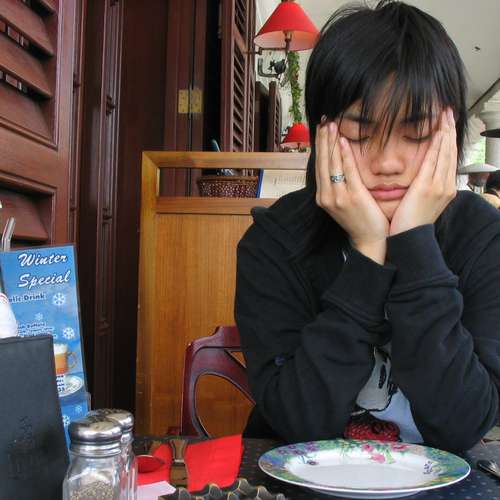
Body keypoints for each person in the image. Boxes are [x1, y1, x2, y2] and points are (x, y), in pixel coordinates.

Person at [235, 0, 500, 453]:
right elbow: (296, 424)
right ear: (322, 133)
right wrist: (368, 253)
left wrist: (413, 242)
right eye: (360, 134)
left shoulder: (483, 237)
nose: (387, 162)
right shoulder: (274, 241)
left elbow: (464, 424)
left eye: (416, 134)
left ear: (450, 134)